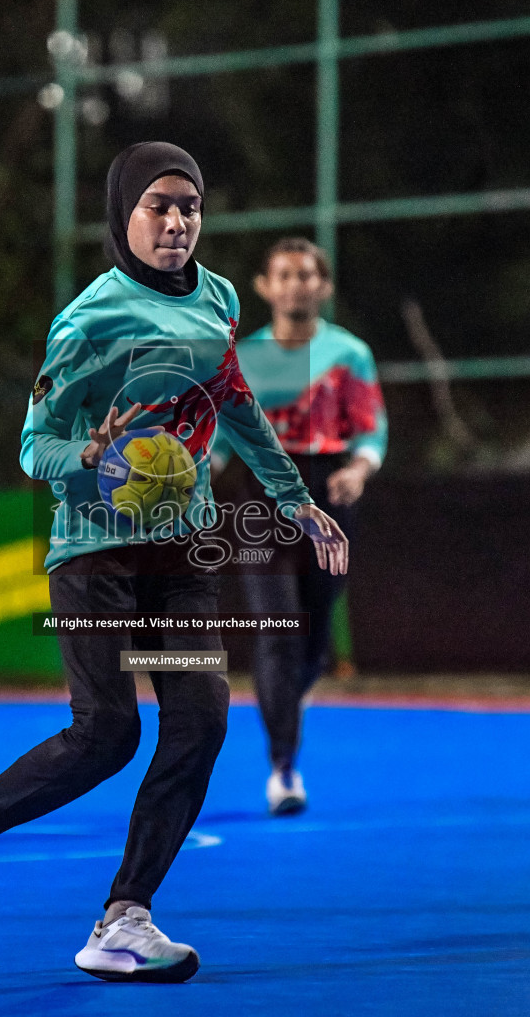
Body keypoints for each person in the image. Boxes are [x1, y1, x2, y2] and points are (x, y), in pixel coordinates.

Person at [0, 142, 348, 983]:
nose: (177, 222)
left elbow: (236, 402)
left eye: (191, 207)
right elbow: (36, 449)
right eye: (159, 207)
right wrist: (94, 458)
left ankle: (124, 918)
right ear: (123, 216)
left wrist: (294, 499)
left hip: (182, 554)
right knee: (106, 731)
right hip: (95, 550)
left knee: (203, 718)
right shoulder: (88, 320)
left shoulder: (217, 299)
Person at [211, 237, 386, 816]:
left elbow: (370, 430)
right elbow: (214, 438)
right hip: (262, 498)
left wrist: (359, 469)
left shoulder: (349, 354)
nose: (295, 285)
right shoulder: (242, 358)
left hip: (330, 492)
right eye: (283, 275)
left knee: (312, 636)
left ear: (323, 287)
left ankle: (294, 692)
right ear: (264, 287)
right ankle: (283, 767)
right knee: (277, 630)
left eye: (306, 275)